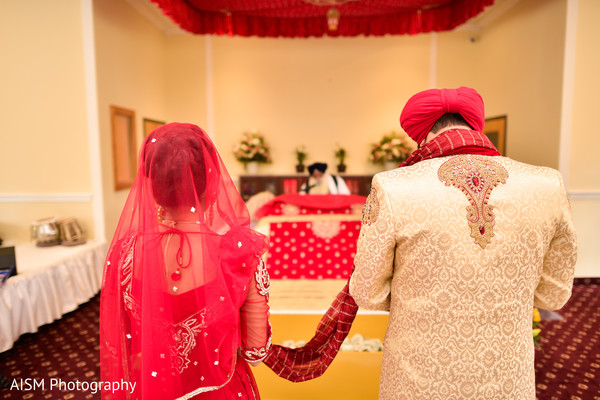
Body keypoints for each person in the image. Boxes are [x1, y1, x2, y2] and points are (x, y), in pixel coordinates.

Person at [349, 87, 577, 399]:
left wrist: (423, 299)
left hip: (421, 375)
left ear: (421, 134)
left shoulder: (393, 187)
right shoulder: (548, 184)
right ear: (475, 125)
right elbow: (554, 295)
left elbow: (367, 292)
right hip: (507, 373)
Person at [100, 123, 271, 400]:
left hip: (150, 388)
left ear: (150, 184)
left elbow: (118, 343)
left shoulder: (124, 253)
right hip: (221, 389)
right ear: (212, 181)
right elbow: (255, 351)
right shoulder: (242, 252)